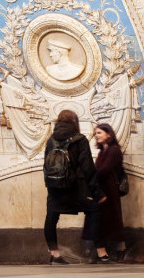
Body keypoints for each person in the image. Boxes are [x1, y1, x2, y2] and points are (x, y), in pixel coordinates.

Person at [43, 110, 109, 264]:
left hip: (55, 187)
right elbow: (88, 168)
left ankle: (55, 255)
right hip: (76, 187)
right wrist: (97, 192)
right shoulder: (80, 139)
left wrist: (50, 185)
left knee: (51, 217)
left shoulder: (51, 140)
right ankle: (101, 254)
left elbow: (46, 165)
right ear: (75, 122)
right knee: (94, 211)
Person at [92, 123, 126, 262]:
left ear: (109, 134)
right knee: (102, 220)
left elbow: (103, 170)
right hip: (102, 189)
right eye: (95, 133)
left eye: (99, 132)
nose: (96, 135)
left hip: (109, 190)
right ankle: (104, 252)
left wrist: (89, 175)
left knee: (110, 220)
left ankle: (119, 249)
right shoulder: (102, 151)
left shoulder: (113, 150)